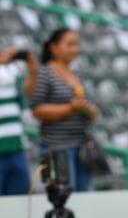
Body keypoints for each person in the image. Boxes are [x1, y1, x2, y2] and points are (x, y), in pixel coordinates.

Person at [30, 28, 97, 192]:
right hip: (57, 148)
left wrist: (88, 109)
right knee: (63, 196)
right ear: (54, 47)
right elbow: (37, 109)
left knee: (83, 197)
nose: (75, 49)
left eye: (76, 44)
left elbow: (94, 112)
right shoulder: (45, 73)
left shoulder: (76, 75)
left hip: (81, 148)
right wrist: (69, 108)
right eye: (70, 44)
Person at [0, 47, 38, 195]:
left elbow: (28, 98)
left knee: (20, 202)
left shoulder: (13, 73)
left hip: (16, 148)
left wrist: (33, 70)